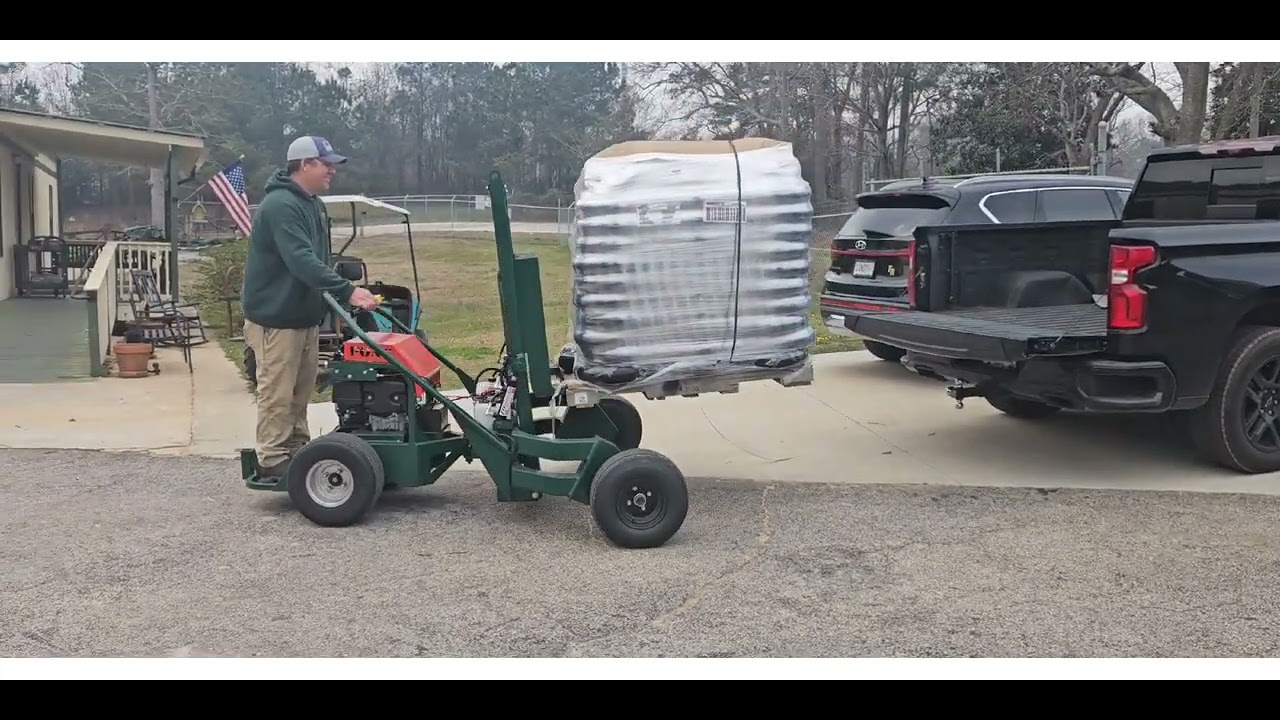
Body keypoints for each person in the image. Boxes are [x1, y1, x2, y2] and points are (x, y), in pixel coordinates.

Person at [241, 135, 379, 478]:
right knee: (277, 391)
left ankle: (297, 450)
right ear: (304, 165)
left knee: (300, 391)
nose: (332, 170)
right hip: (276, 318)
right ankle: (273, 458)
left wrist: (338, 291)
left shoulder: (313, 204)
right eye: (325, 164)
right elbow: (300, 259)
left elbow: (318, 259)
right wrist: (346, 291)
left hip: (303, 316)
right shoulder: (280, 205)